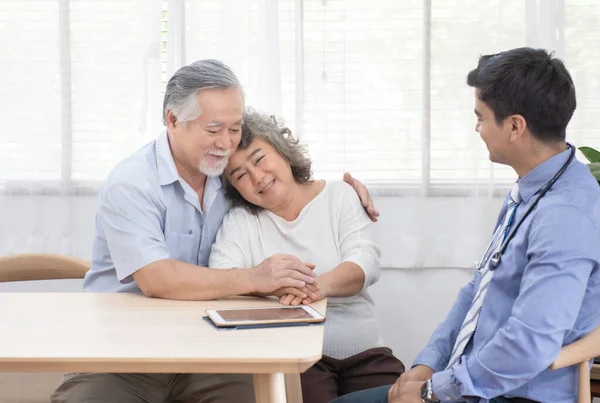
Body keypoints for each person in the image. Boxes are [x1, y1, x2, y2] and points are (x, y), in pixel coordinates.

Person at [51, 59, 377, 403]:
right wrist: (255, 278)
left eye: (234, 128)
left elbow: (279, 183)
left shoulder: (228, 177)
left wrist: (343, 191)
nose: (226, 142)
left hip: (206, 349)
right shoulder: (131, 184)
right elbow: (158, 279)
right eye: (214, 129)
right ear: (173, 120)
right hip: (120, 354)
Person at [331, 47, 600, 403]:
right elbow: (479, 290)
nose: (477, 128)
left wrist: (433, 392)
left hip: (514, 395)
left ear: (515, 126)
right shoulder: (533, 186)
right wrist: (428, 363)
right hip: (475, 382)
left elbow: (529, 343)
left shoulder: (565, 216)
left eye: (481, 117)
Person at [208, 110, 405, 403]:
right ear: (233, 188)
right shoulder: (241, 221)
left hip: (368, 356)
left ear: (283, 151)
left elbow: (366, 261)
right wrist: (263, 282)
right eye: (240, 175)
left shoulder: (339, 196)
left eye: (260, 159)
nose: (258, 178)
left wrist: (316, 286)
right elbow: (221, 276)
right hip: (295, 360)